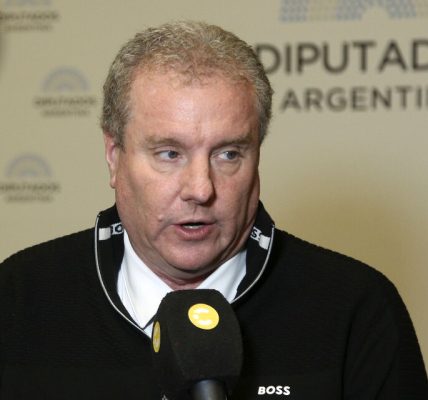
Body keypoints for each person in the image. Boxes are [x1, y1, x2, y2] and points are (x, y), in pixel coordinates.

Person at [0, 21, 426, 400]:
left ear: (257, 157)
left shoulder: (355, 309)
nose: (201, 190)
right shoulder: (18, 300)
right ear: (114, 156)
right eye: (169, 154)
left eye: (228, 154)